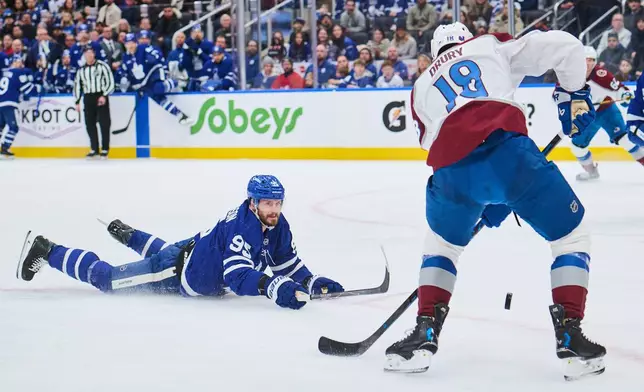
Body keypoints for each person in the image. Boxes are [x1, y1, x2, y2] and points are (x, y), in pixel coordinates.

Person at [383, 24, 606, 381]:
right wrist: (574, 93)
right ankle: (571, 337)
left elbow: (430, 144)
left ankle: (424, 333)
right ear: (466, 38)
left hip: (452, 174)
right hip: (509, 156)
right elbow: (567, 46)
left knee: (441, 245)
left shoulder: (421, 86)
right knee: (572, 237)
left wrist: (484, 196)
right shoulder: (488, 46)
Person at [16, 175, 344, 310]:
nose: (274, 210)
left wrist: (313, 281)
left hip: (193, 251)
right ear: (253, 202)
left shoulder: (277, 224)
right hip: (180, 273)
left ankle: (128, 234)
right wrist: (276, 289)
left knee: (168, 252)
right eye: (268, 204)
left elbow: (287, 263)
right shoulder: (244, 227)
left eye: (278, 203)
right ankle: (48, 250)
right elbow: (237, 276)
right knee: (109, 280)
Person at [559, 46, 643, 181]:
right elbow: (559, 95)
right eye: (585, 60)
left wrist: (626, 95)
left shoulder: (600, 74)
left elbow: (620, 89)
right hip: (585, 117)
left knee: (625, 140)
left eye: (592, 60)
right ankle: (592, 172)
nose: (588, 63)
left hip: (607, 111)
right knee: (577, 147)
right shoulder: (568, 76)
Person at [118, 33, 194, 126]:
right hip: (143, 83)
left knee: (158, 89)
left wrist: (153, 59)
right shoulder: (125, 57)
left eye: (132, 43)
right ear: (125, 45)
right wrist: (125, 80)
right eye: (127, 43)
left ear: (135, 43)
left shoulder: (144, 48)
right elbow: (125, 71)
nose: (130, 45)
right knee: (158, 98)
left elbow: (158, 57)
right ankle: (180, 115)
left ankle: (178, 82)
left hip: (155, 74)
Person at [73, 46, 115, 159]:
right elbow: (77, 85)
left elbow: (110, 82)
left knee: (104, 123)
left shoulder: (102, 66)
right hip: (88, 97)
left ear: (94, 54)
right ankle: (94, 149)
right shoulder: (81, 70)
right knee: (89, 124)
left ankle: (105, 148)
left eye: (90, 53)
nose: (88, 55)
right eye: (86, 53)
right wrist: (77, 101)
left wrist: (104, 95)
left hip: (100, 95)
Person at [0, 55, 39, 158]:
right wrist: (37, 88)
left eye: (21, 62)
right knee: (13, 127)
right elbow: (28, 90)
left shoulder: (4, 74)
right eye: (18, 62)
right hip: (9, 104)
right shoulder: (19, 72)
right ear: (13, 63)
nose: (21, 64)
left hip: (1, 103)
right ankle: (5, 148)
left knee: (0, 126)